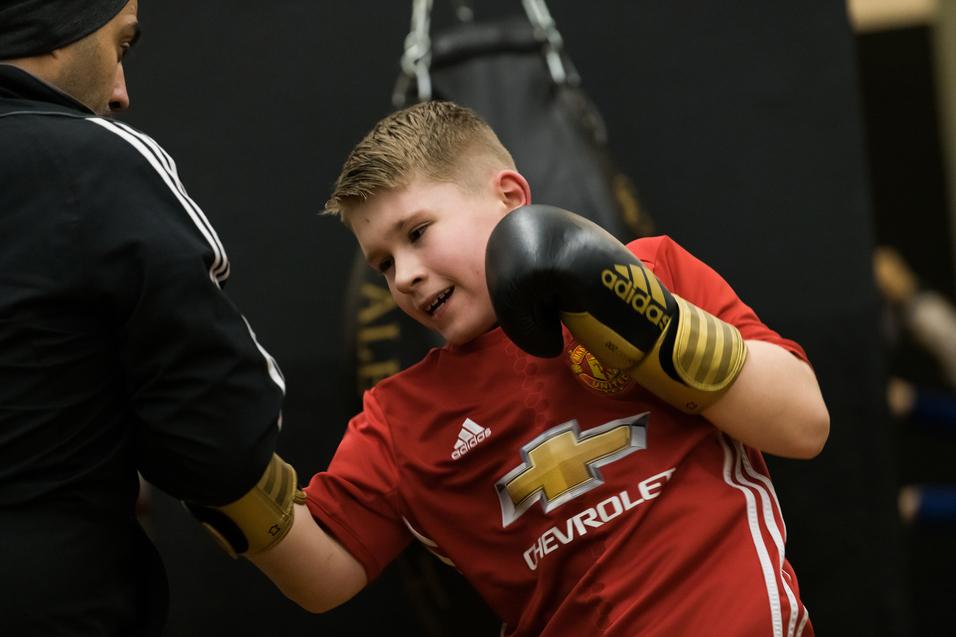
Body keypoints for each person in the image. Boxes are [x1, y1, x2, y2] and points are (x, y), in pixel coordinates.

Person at [245, 100, 830, 637]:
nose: (404, 276)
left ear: (510, 196)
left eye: (418, 233)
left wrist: (645, 322)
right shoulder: (402, 417)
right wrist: (224, 475)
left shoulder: (647, 272)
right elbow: (323, 577)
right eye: (382, 264)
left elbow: (803, 426)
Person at [0, 2, 302, 635]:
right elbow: (220, 434)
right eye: (121, 47)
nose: (120, 93)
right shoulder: (90, 158)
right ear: (56, 31)